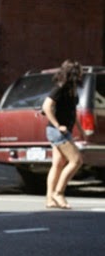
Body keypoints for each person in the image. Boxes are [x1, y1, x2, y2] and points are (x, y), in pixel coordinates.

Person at [42, 59, 84, 209]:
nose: (81, 74)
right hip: (56, 132)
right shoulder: (60, 87)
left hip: (63, 131)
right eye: (79, 71)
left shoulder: (71, 89)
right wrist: (57, 125)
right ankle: (58, 193)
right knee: (76, 160)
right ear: (73, 73)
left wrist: (80, 128)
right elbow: (46, 106)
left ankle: (49, 199)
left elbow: (72, 111)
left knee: (58, 164)